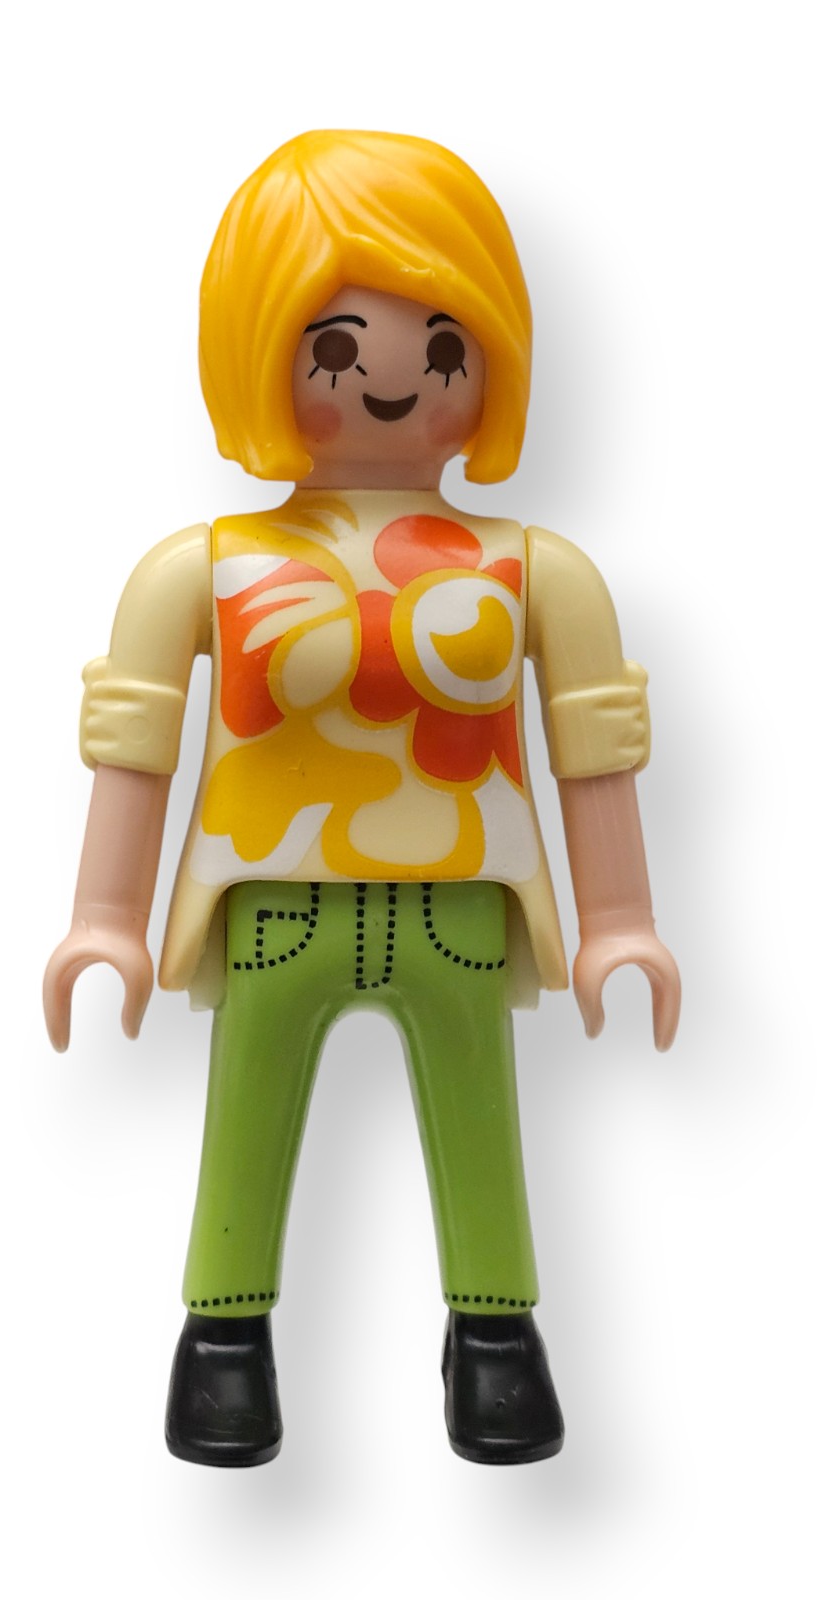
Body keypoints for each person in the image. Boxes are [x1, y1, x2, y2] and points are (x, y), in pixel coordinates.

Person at [43, 130, 680, 1467]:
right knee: (245, 1115)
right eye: (335, 347)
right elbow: (135, 738)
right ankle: (225, 1341)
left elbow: (592, 741)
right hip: (273, 908)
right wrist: (104, 918)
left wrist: (620, 921)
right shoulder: (204, 566)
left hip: (463, 908)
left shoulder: (535, 568)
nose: (394, 379)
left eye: (445, 347)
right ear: (259, 350)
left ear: (493, 363)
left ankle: (496, 1337)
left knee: (481, 1120)